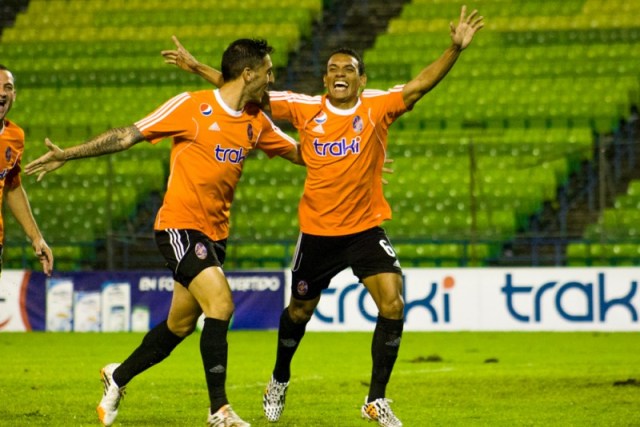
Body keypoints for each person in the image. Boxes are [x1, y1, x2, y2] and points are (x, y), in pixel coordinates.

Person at [163, 6, 483, 427]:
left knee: (393, 302)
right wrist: (196, 67)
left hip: (365, 228)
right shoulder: (304, 108)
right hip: (317, 233)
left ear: (361, 79)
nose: (339, 73)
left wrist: (454, 49)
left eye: (348, 69)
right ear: (325, 78)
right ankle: (279, 378)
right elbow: (246, 90)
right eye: (332, 68)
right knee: (299, 312)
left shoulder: (378, 107)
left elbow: (419, 86)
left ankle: (376, 400)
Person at [25, 39, 303, 427]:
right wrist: (68, 154)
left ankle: (117, 376)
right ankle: (219, 410)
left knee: (180, 325)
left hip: (215, 235)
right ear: (248, 74)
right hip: (178, 226)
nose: (272, 79)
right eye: (268, 72)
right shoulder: (190, 106)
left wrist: (353, 157)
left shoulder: (256, 121)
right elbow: (127, 135)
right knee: (220, 304)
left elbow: (299, 153)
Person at [0, 64, 53, 277]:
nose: (2, 93)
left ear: (14, 95)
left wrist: (36, 237)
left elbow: (12, 187)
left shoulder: (15, 137)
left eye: (7, 87)